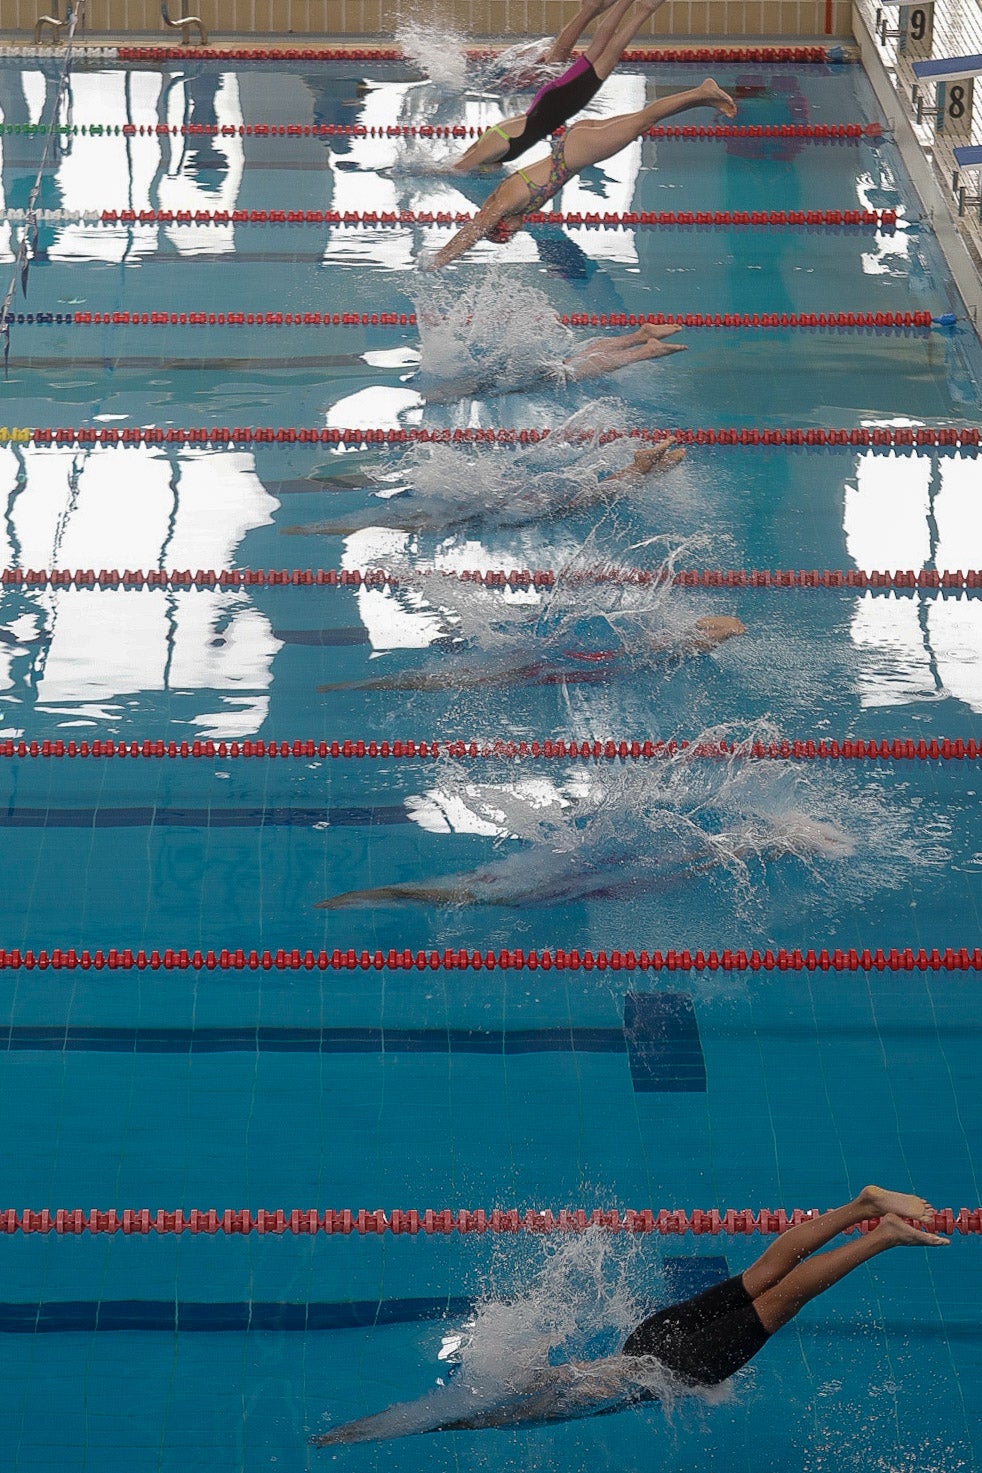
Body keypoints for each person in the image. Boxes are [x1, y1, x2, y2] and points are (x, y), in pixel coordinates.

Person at [310, 1187, 948, 1446]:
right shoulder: (521, 1384)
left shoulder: (504, 1410)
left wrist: (359, 1434)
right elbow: (433, 1410)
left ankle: (882, 1233)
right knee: (758, 1275)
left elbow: (432, 1419)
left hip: (673, 1363)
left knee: (781, 1300)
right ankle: (860, 1204)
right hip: (645, 1338)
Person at [429, 78, 737, 266]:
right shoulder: (511, 202)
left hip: (575, 152)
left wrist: (440, 259)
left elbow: (472, 231)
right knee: (640, 120)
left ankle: (701, 93)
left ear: (501, 225)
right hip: (573, 147)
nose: (516, 231)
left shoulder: (505, 203)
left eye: (509, 233)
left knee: (643, 121)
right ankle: (701, 96)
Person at [283, 426, 685, 538]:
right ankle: (651, 467)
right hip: (517, 493)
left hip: (515, 508)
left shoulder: (436, 515)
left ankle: (644, 466)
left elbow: (382, 522)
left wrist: (313, 529)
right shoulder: (444, 498)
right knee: (586, 495)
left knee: (589, 499)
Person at [450, 0, 668, 172]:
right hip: (553, 101)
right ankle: (632, 5)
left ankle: (644, 9)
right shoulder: (493, 145)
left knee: (608, 51)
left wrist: (425, 172)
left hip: (561, 100)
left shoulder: (494, 146)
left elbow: (457, 169)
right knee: (601, 49)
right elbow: (470, 163)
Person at [316, 615, 745, 692]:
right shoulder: (643, 654)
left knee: (470, 676)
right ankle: (362, 684)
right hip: (566, 660)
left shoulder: (642, 656)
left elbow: (729, 627)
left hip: (560, 663)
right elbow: (728, 627)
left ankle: (361, 684)